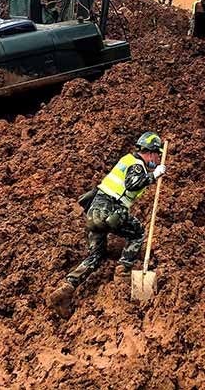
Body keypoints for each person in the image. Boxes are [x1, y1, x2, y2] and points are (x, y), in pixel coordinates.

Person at [49, 132, 167, 317]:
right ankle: (123, 272)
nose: (158, 158)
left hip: (94, 212)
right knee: (137, 233)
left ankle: (67, 287)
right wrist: (154, 176)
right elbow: (132, 184)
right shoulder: (137, 166)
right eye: (157, 154)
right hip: (110, 210)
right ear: (150, 152)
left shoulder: (126, 160)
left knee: (96, 255)